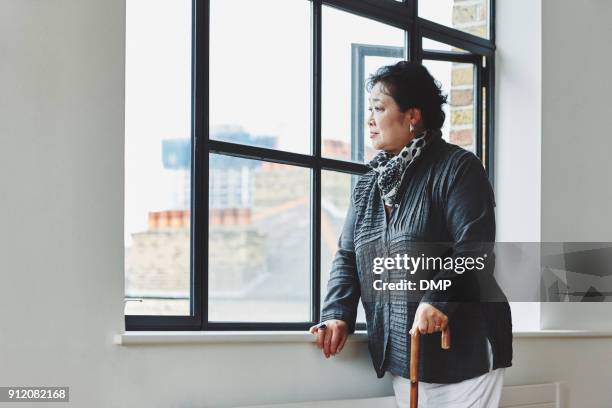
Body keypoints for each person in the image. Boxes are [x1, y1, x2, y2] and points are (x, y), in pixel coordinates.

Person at [309, 61, 513, 407]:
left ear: (412, 116)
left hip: (468, 349)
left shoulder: (458, 168)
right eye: (369, 109)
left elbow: (474, 250)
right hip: (404, 354)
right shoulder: (367, 187)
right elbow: (347, 255)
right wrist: (336, 313)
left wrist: (437, 299)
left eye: (379, 108)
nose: (369, 119)